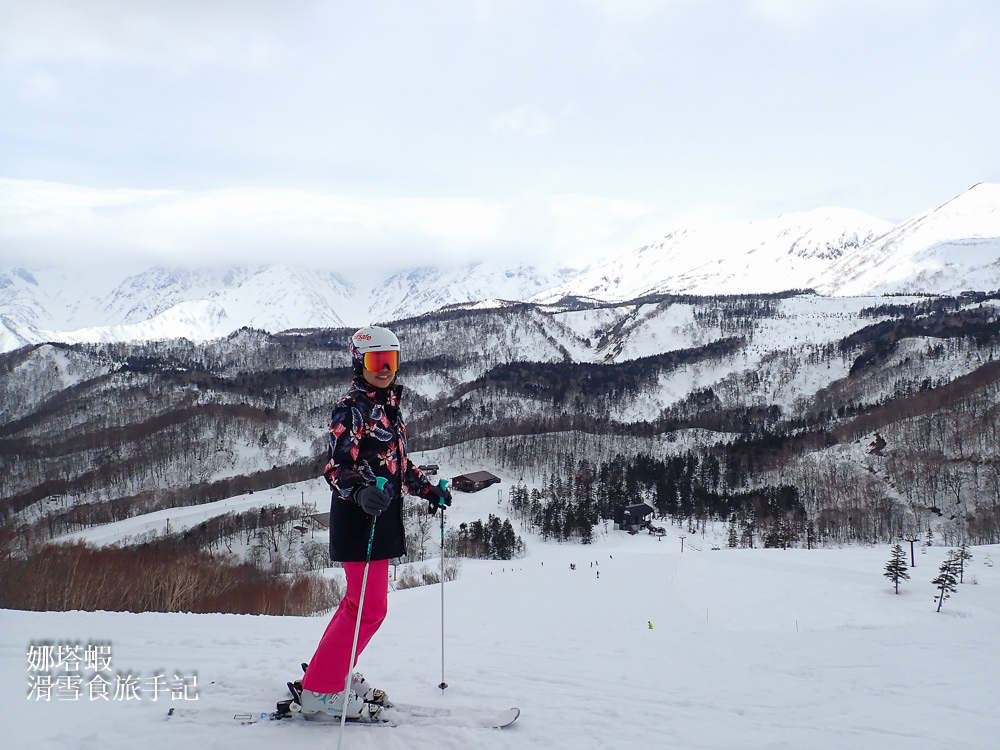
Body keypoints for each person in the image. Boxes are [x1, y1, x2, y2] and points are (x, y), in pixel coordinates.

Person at [298, 325, 452, 722]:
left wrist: (428, 490)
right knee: (367, 609)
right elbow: (335, 468)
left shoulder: (387, 405)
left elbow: (396, 466)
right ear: (359, 362)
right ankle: (322, 689)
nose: (384, 369)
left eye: (390, 361)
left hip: (381, 516)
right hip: (358, 517)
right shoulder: (351, 408)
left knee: (362, 606)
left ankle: (330, 672)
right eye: (376, 361)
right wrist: (359, 491)